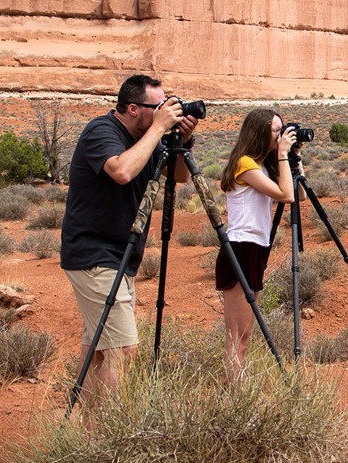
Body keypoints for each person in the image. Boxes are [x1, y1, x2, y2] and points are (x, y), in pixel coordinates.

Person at [60, 74, 198, 408]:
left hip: (122, 256)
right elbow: (121, 171)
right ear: (133, 108)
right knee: (123, 349)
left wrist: (181, 141)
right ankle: (111, 434)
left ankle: (89, 433)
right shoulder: (102, 131)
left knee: (97, 351)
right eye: (159, 107)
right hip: (94, 253)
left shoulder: (149, 137)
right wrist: (157, 130)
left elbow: (178, 177)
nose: (167, 111)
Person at [216, 108, 296, 379]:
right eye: (276, 130)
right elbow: (286, 196)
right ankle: (234, 400)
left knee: (245, 336)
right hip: (241, 248)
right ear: (259, 132)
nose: (280, 135)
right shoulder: (245, 164)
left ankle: (236, 396)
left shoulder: (261, 167)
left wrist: (293, 163)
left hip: (255, 249)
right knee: (237, 338)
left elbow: (297, 197)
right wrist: (283, 154)